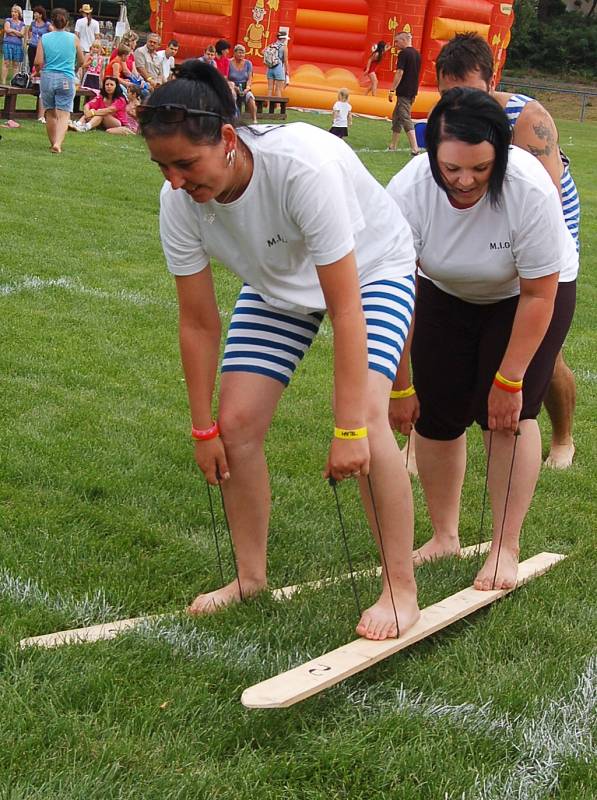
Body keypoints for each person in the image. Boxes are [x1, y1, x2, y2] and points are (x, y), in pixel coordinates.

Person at [138, 60, 422, 641]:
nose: (173, 181)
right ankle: (249, 578)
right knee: (236, 423)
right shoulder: (178, 205)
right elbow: (197, 323)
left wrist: (346, 428)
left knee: (368, 419)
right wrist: (203, 429)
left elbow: (346, 310)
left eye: (185, 164)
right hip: (278, 287)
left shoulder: (301, 168)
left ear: (225, 138)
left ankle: (400, 588)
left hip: (370, 270)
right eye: (162, 166)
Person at [386, 88, 578, 591]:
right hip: (444, 288)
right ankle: (444, 535)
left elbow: (540, 294)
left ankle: (503, 546)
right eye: (451, 169)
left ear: (500, 153)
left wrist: (509, 380)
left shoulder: (529, 190)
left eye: (479, 168)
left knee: (508, 419)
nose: (464, 181)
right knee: (437, 414)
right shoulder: (407, 192)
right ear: (432, 155)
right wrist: (401, 385)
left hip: (527, 292)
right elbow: (395, 289)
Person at [435, 33, 579, 470]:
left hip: (545, 223)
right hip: (489, 215)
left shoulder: (528, 119)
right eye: (448, 94)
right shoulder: (449, 120)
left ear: (491, 81)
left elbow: (545, 203)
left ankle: (562, 439)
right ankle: (433, 435)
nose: (458, 104)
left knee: (539, 347)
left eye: (468, 93)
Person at [35, 7, 84, 153]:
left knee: (50, 112)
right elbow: (82, 60)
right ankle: (58, 143)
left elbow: (38, 62)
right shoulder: (73, 38)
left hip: (48, 77)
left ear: (51, 21)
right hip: (66, 78)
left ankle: (53, 142)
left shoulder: (44, 38)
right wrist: (74, 69)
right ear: (67, 22)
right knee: (64, 114)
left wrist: (37, 72)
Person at [387, 31, 421, 155]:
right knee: (397, 117)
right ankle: (393, 145)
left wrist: (392, 89)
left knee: (405, 117)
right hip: (412, 91)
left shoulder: (404, 54)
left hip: (404, 92)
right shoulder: (417, 54)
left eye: (397, 41)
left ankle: (415, 147)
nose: (395, 44)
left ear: (403, 40)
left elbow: (399, 73)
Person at [228, 44, 257, 124]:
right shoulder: (228, 62)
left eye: (243, 53)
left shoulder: (248, 63)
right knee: (232, 96)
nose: (241, 55)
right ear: (234, 53)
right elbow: (226, 78)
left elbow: (250, 78)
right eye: (239, 52)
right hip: (232, 86)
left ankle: (254, 120)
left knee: (250, 97)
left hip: (244, 86)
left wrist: (247, 88)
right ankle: (233, 118)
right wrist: (234, 87)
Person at [2, 5, 26, 85]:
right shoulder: (8, 20)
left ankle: (14, 82)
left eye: (15, 12)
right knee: (6, 63)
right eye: (12, 11)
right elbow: (7, 30)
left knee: (16, 64)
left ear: (19, 13)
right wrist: (16, 32)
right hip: (7, 44)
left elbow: (22, 34)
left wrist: (12, 31)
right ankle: (3, 82)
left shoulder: (22, 24)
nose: (13, 13)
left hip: (18, 45)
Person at [265, 29, 288, 98]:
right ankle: (278, 107)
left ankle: (268, 106)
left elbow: (262, 52)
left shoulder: (271, 45)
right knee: (278, 89)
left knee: (270, 89)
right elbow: (286, 60)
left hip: (270, 67)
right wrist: (286, 71)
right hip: (279, 67)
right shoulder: (284, 47)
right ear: (283, 38)